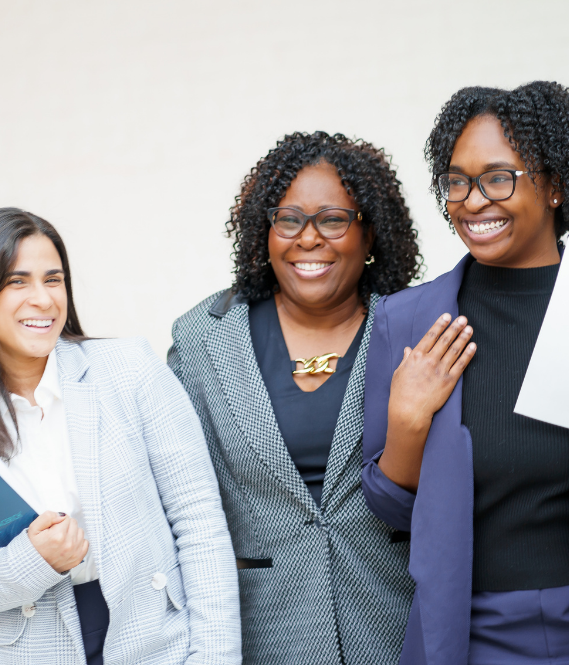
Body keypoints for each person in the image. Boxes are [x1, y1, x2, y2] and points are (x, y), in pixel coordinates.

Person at [361, 82, 569, 665]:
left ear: (554, 186)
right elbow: (393, 511)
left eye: (498, 178)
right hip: (470, 639)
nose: (472, 201)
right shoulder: (410, 321)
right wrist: (407, 423)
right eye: (457, 181)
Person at [0, 208, 241, 665]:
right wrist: (33, 559)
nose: (43, 300)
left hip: (155, 641)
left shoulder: (129, 369)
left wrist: (215, 658)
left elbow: (200, 520)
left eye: (53, 279)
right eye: (17, 282)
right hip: (31, 649)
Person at [169, 132, 421, 664]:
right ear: (264, 232)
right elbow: (175, 498)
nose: (309, 239)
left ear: (370, 233)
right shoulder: (203, 341)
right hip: (265, 631)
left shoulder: (415, 329)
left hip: (400, 621)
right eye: (288, 219)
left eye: (332, 219)